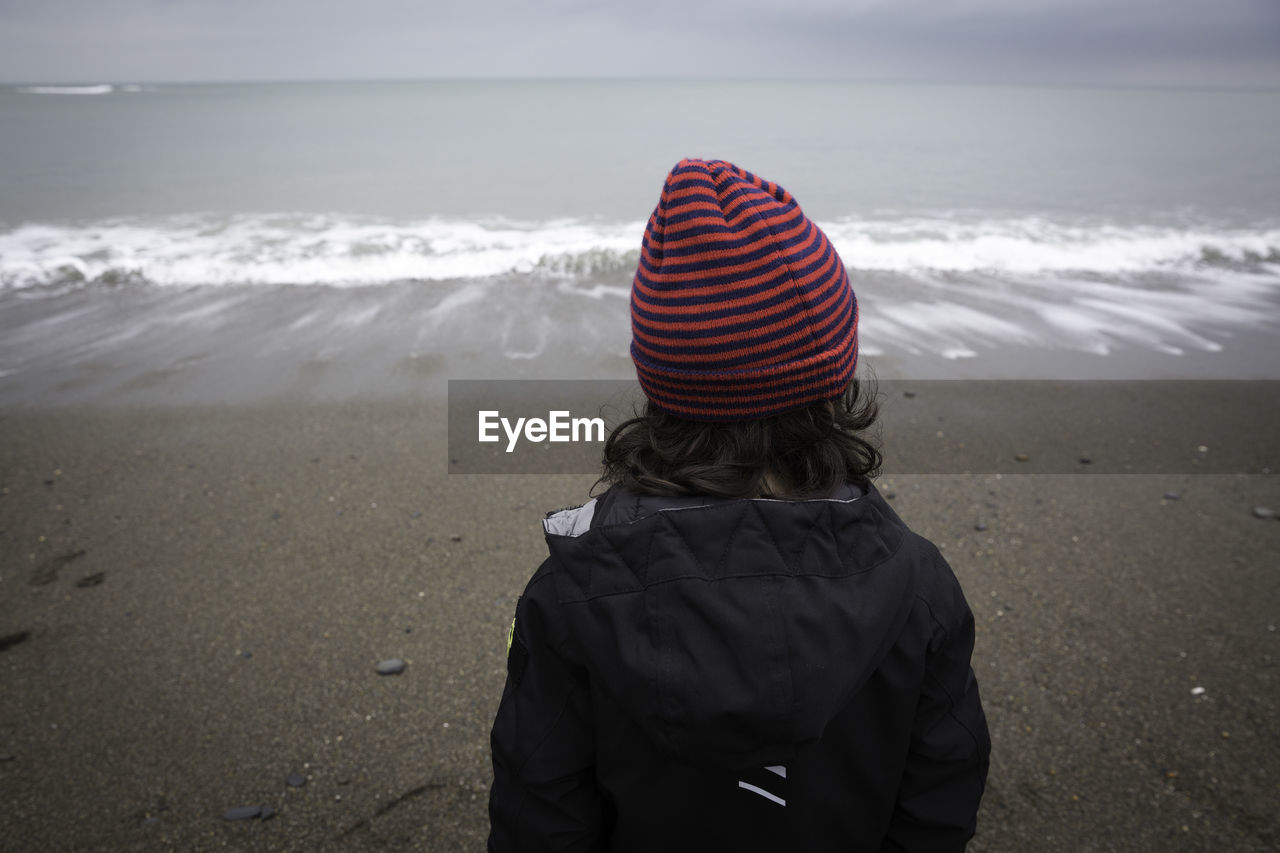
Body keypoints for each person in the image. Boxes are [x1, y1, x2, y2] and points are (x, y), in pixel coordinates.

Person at [488, 158, 990, 851]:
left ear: (662, 376)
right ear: (832, 372)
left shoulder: (571, 595)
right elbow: (937, 802)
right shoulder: (918, 586)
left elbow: (540, 820)